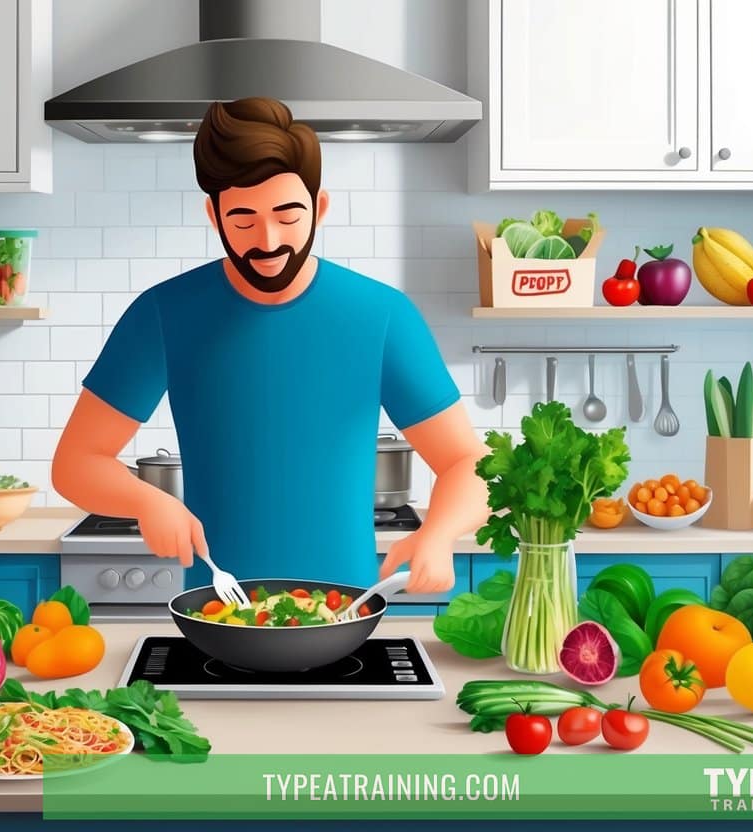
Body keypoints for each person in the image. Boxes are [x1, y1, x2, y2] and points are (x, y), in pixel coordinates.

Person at [52, 97, 487, 594]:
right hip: (216, 610)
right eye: (243, 220)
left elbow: (467, 463)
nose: (268, 239)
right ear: (214, 216)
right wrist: (147, 501)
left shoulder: (382, 315)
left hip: (345, 611)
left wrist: (439, 534)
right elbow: (76, 462)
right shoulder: (164, 314)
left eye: (288, 215)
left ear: (320, 208)